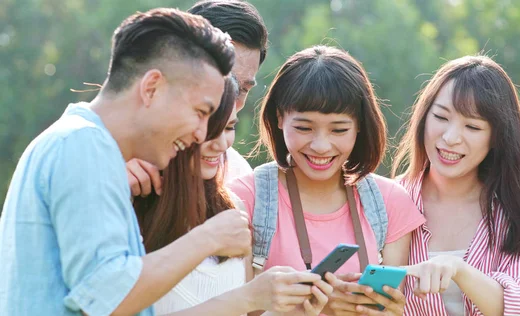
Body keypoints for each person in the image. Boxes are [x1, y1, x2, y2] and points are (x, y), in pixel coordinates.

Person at [0, 8, 252, 316]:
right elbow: (111, 299)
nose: (201, 133)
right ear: (151, 88)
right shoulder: (83, 147)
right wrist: (209, 237)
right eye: (200, 112)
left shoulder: (79, 143)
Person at [227, 45, 426, 316]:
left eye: (339, 129)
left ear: (359, 125)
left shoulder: (390, 202)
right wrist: (317, 306)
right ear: (279, 118)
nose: (321, 146)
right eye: (304, 128)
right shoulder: (244, 199)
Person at [134, 76, 332, 316]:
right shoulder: (130, 203)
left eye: (229, 128)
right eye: (210, 130)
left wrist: (292, 312)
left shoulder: (231, 208)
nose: (221, 144)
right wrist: (246, 298)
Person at [392, 55, 520, 316]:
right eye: (440, 117)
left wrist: (458, 269)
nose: (450, 138)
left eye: (472, 126)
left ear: (497, 137)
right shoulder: (387, 200)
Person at [127, 0, 269, 195]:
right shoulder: (120, 161)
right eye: (224, 82)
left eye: (243, 89)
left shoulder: (237, 177)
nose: (230, 103)